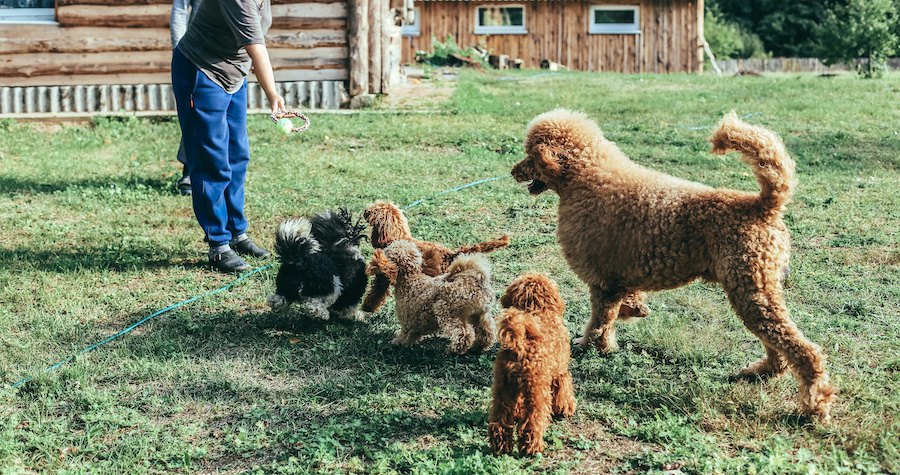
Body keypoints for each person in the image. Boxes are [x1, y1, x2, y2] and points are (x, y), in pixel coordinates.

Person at [172, 0, 284, 273]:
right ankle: (219, 245)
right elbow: (256, 47)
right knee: (212, 160)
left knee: (237, 156)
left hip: (234, 77)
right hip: (202, 71)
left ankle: (237, 233)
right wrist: (273, 95)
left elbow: (253, 38)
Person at [170, 0, 201, 196]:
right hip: (194, 52)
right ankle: (190, 169)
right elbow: (180, 11)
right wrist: (179, 51)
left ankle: (222, 170)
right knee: (194, 110)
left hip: (229, 54)